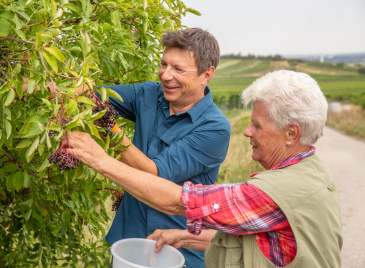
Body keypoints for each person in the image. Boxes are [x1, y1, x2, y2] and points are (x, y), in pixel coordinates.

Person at [65, 69, 342, 267]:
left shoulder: (272, 193)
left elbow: (178, 202)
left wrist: (99, 158)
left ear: (291, 133)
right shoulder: (313, 172)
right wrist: (185, 237)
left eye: (257, 125)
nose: (247, 131)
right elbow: (259, 238)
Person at [92, 28, 231, 268]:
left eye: (178, 69)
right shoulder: (148, 95)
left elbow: (153, 173)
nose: (166, 75)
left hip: (178, 254)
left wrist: (111, 130)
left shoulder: (215, 129)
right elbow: (93, 96)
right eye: (163, 64)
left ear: (206, 75)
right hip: (129, 243)